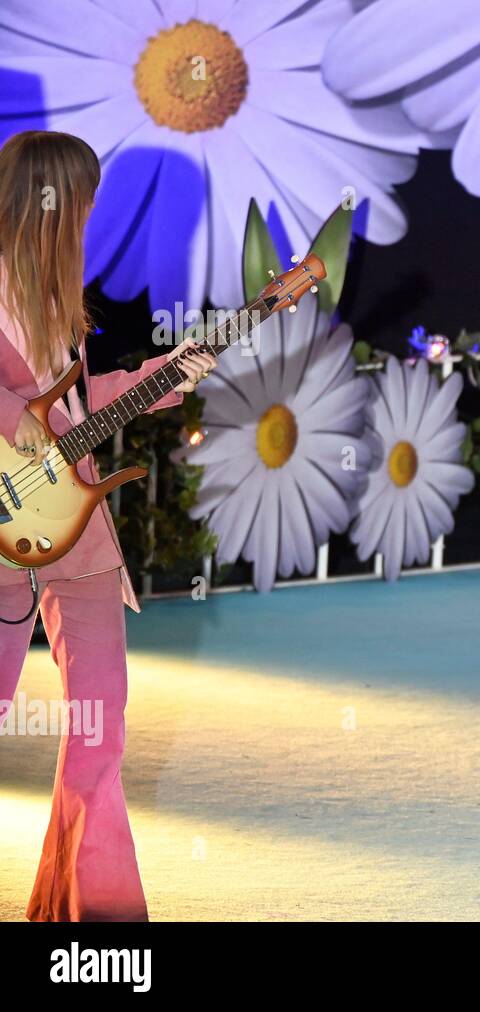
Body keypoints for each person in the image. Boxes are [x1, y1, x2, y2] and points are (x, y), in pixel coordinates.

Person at [0, 129, 216, 921]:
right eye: (82, 203)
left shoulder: (62, 302)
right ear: (45, 205)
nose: (89, 218)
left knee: (99, 735)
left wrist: (167, 376)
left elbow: (81, 412)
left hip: (79, 538)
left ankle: (95, 923)